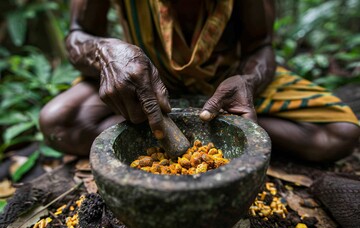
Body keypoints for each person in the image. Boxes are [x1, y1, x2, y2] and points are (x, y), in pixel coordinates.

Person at [39, 0, 360, 162]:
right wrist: (106, 52)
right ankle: (199, 125)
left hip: (226, 80)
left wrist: (247, 81)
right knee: (60, 122)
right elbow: (78, 34)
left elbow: (260, 45)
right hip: (146, 77)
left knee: (336, 134)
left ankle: (207, 127)